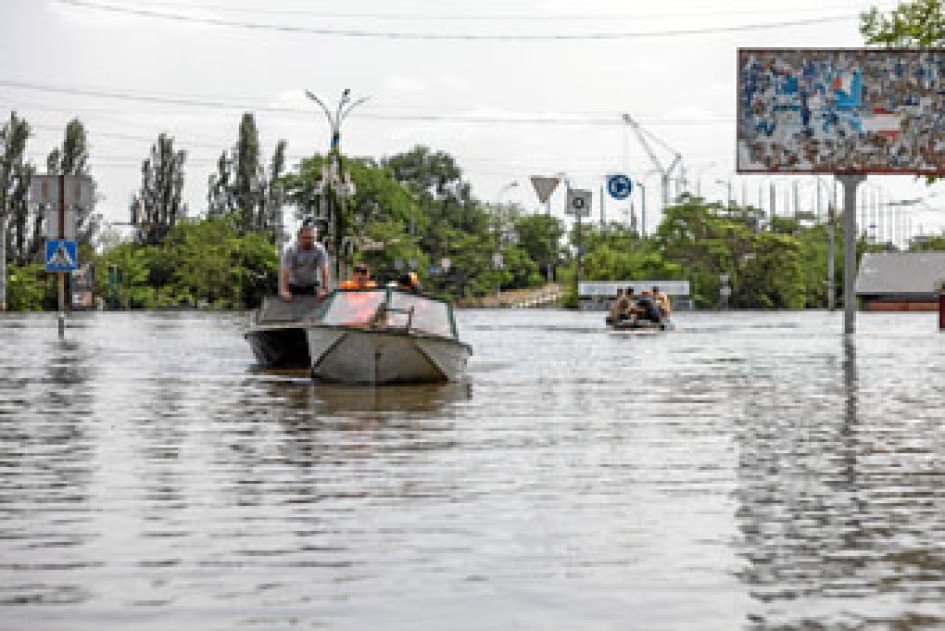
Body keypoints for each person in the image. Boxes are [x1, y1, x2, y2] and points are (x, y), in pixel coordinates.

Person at [279, 222, 330, 301]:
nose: (309, 240)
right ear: (299, 238)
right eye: (305, 238)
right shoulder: (290, 249)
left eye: (311, 238)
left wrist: (324, 289)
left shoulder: (319, 249)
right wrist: (285, 290)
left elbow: (324, 270)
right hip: (293, 285)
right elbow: (286, 270)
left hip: (312, 285)